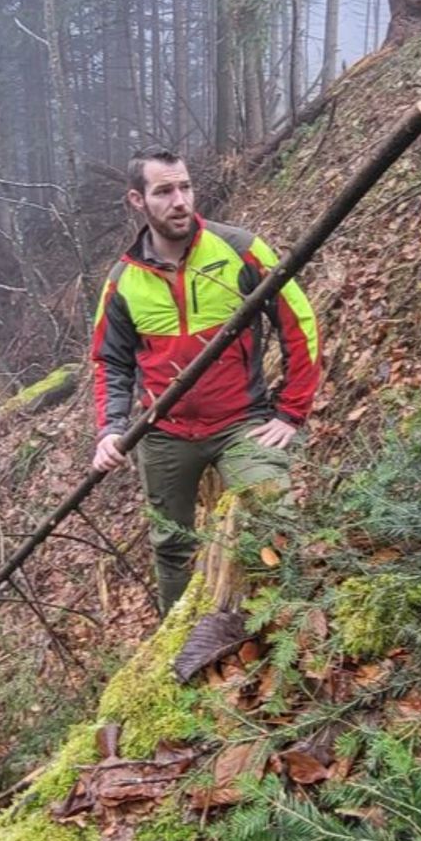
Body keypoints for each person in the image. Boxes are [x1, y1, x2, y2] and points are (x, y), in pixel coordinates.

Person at [91, 147, 321, 615]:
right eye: (164, 191)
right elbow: (110, 363)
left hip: (243, 423)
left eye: (185, 187)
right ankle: (179, 648)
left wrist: (292, 410)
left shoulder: (240, 250)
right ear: (138, 200)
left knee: (270, 515)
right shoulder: (123, 281)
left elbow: (299, 322)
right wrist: (111, 427)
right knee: (171, 546)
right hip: (163, 432)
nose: (180, 201)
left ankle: (286, 631)